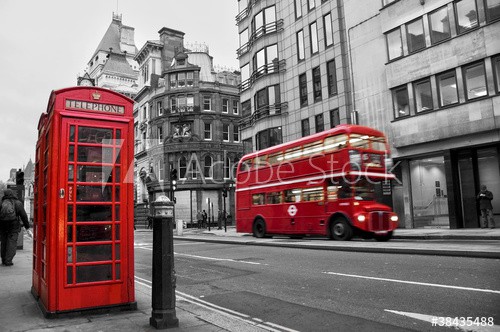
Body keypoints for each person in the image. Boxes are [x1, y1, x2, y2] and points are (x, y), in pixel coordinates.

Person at [0, 189, 31, 266]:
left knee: (4, 242)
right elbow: (23, 216)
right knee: (12, 242)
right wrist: (27, 226)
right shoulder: (17, 203)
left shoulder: (1, 202)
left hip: (2, 225)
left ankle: (4, 259)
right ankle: (8, 260)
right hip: (13, 225)